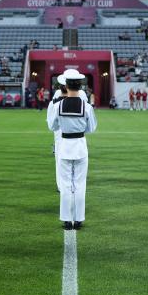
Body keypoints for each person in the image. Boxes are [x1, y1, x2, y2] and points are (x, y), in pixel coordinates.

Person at [48, 69, 97, 230]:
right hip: (80, 146)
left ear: (66, 85)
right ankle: (79, 219)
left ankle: (67, 220)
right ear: (80, 86)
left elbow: (52, 126)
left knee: (66, 183)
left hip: (64, 146)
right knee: (80, 183)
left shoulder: (57, 106)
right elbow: (91, 128)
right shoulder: (87, 107)